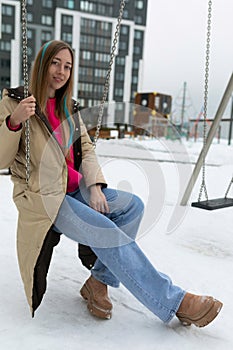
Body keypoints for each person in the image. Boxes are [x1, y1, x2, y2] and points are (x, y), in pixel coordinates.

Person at [0, 40, 223, 327]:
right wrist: (13, 122)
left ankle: (98, 282)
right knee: (104, 230)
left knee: (132, 208)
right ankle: (175, 301)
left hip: (74, 189)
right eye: (55, 62)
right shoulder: (15, 102)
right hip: (43, 197)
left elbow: (87, 150)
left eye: (67, 66)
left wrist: (94, 186)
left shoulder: (69, 107)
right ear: (42, 63)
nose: (61, 71)